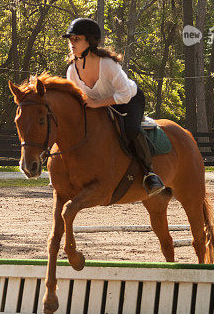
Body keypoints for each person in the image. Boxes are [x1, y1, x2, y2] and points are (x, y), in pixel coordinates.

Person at [64, 17, 165, 196]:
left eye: (76, 39)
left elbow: (124, 94)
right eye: (71, 39)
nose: (72, 43)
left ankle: (150, 174)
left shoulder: (108, 64)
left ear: (90, 41)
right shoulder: (72, 70)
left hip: (129, 100)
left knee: (131, 129)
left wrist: (96, 103)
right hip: (100, 105)